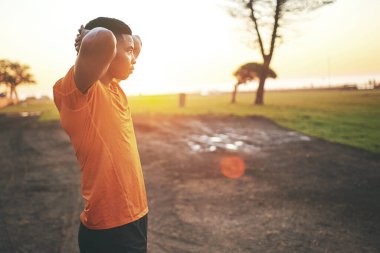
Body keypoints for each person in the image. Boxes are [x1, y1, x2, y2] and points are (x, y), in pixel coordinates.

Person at [53, 17, 148, 253]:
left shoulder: (113, 87)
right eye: (127, 52)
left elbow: (136, 41)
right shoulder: (77, 93)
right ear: (108, 52)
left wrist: (124, 44)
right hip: (110, 228)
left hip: (136, 214)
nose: (134, 57)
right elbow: (104, 38)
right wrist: (89, 37)